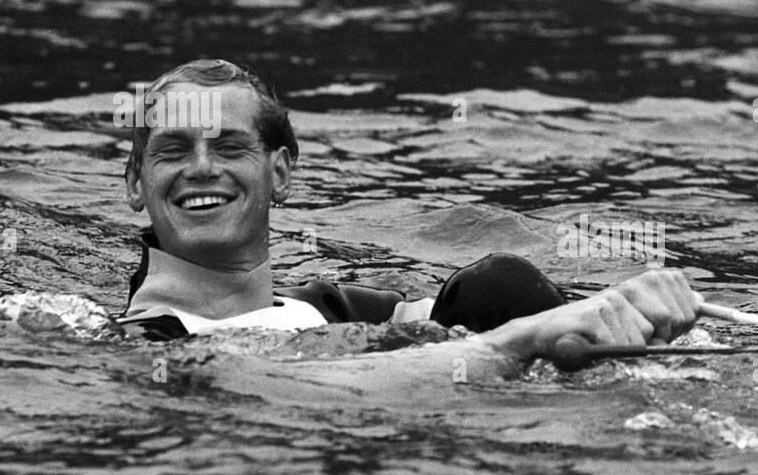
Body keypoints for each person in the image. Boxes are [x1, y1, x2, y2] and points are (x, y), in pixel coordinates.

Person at [117, 59, 700, 376]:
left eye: (227, 147)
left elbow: (478, 315)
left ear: (281, 175)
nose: (200, 168)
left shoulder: (330, 308)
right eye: (172, 150)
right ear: (136, 185)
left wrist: (622, 309)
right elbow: (315, 394)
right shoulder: (146, 351)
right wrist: (517, 344)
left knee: (496, 287)